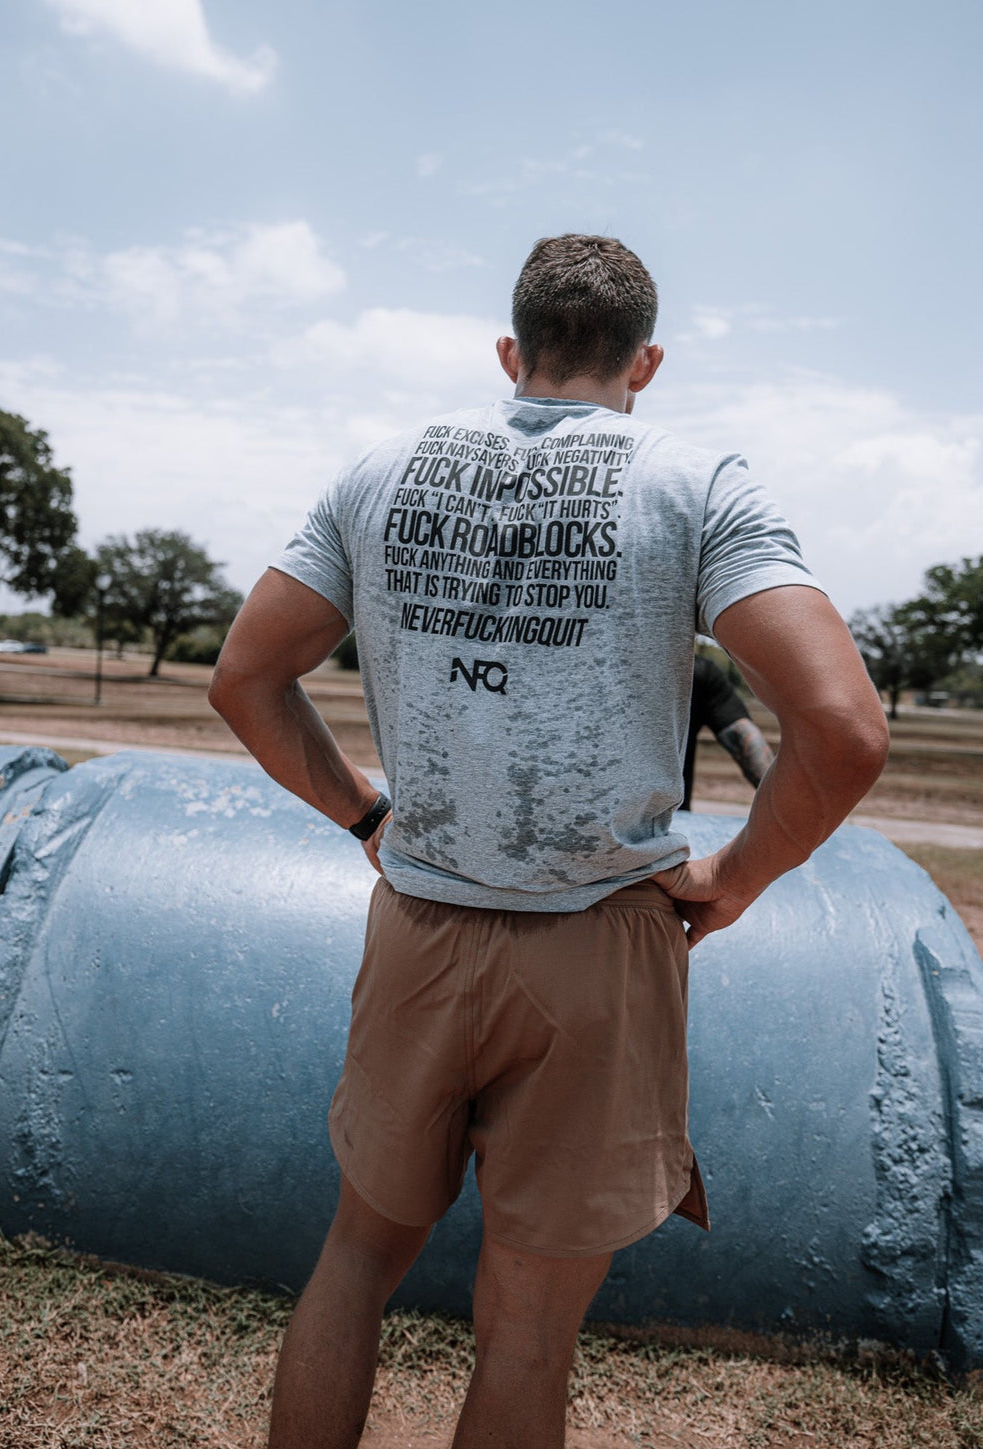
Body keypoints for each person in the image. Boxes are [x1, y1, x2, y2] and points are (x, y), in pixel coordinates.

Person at [208, 234, 888, 1449]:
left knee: (357, 1256)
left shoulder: (379, 470)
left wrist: (369, 818)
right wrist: (734, 875)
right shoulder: (699, 482)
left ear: (512, 353)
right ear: (648, 362)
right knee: (527, 1326)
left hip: (418, 920)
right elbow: (841, 728)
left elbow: (247, 679)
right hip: (601, 943)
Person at [683, 655, 775, 810]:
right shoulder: (692, 671)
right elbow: (743, 737)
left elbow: (742, 737)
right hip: (666, 825)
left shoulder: (696, 673)